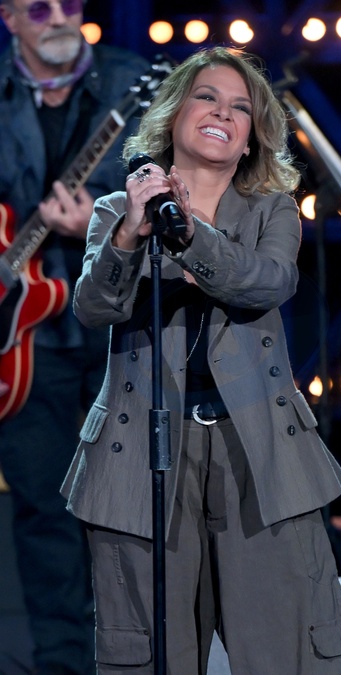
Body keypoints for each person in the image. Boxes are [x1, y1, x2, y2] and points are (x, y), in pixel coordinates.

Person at [61, 46, 341, 674]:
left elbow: (267, 282)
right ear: (173, 114)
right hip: (142, 455)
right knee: (150, 654)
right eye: (206, 97)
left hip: (259, 452)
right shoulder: (116, 212)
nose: (222, 112)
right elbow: (94, 307)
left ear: (252, 138)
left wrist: (190, 235)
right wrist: (130, 236)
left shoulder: (273, 210)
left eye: (240, 108)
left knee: (287, 653)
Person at [0, 1, 152, 673]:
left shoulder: (131, 82)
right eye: (40, 7)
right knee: (45, 513)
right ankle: (61, 663)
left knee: (130, 509)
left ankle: (136, 657)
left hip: (120, 321)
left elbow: (173, 178)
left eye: (71, 4)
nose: (59, 17)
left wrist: (105, 218)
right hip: (25, 344)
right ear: (9, 18)